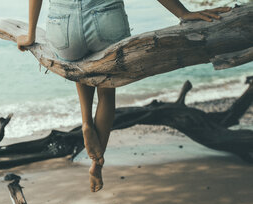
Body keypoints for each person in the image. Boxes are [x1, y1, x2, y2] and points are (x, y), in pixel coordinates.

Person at [17, 0, 231, 192]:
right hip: (106, 20)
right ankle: (97, 163)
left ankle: (85, 122)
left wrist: (31, 36)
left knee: (80, 68)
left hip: (63, 26)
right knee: (107, 93)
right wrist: (182, 12)